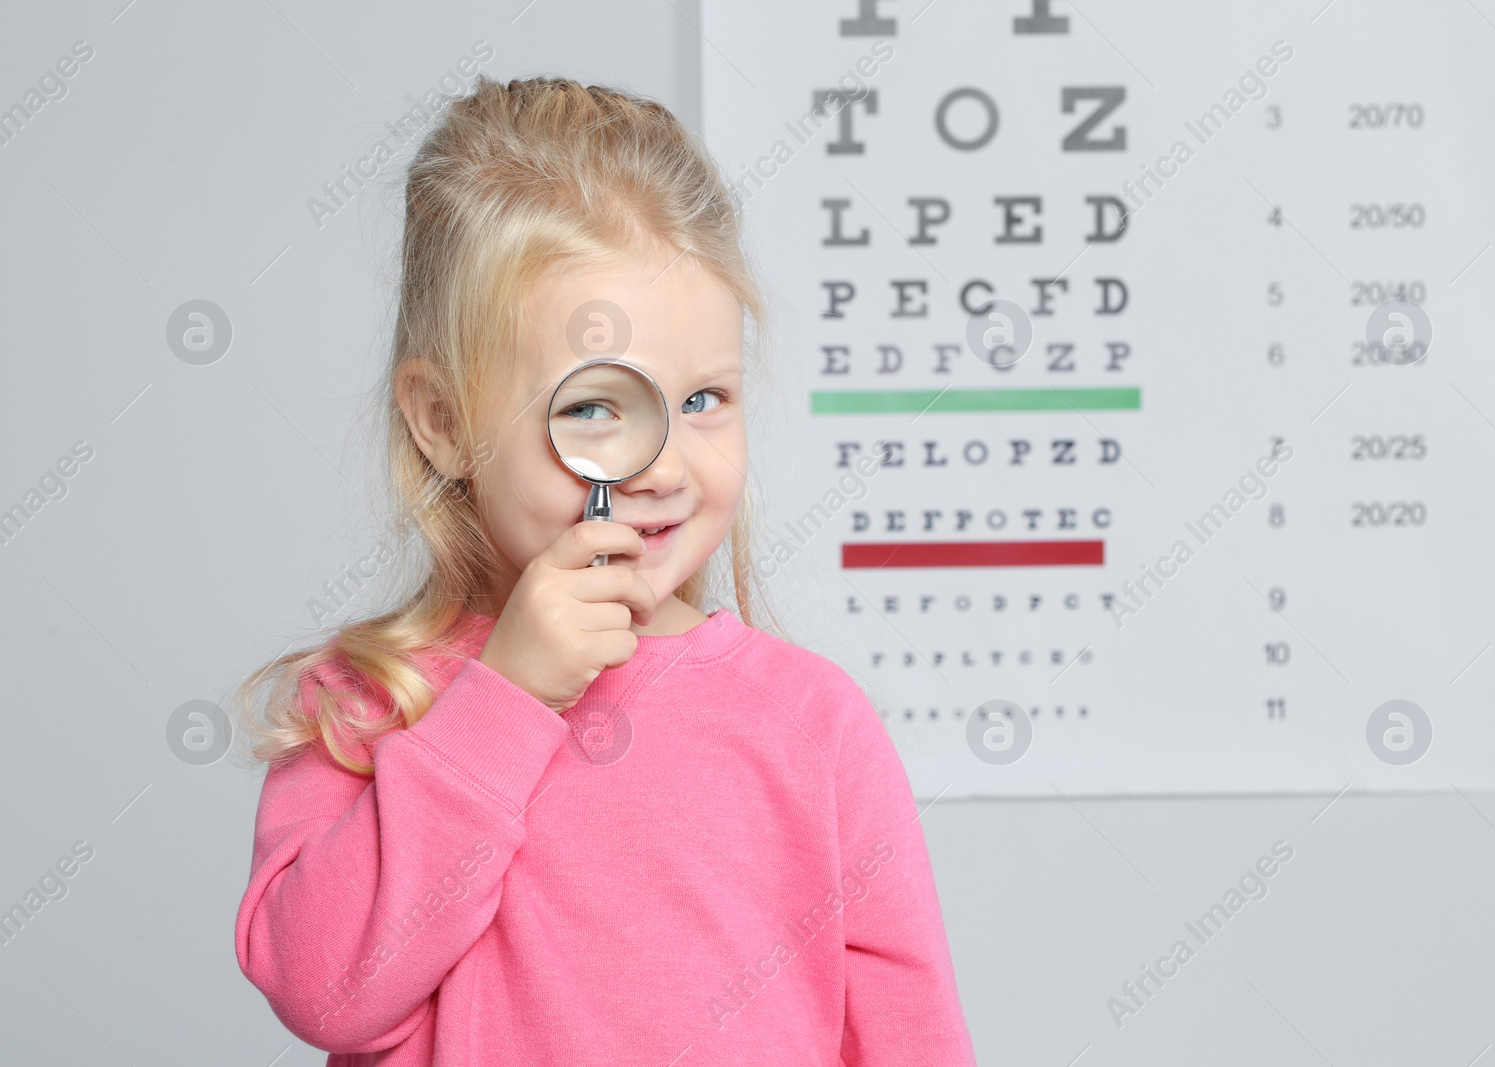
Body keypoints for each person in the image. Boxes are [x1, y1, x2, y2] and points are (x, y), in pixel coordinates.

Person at [227, 74, 977, 1066]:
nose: (663, 464)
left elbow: (909, 1038)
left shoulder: (813, 723)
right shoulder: (370, 701)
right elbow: (325, 990)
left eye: (704, 398)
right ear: (444, 421)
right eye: (591, 408)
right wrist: (503, 698)